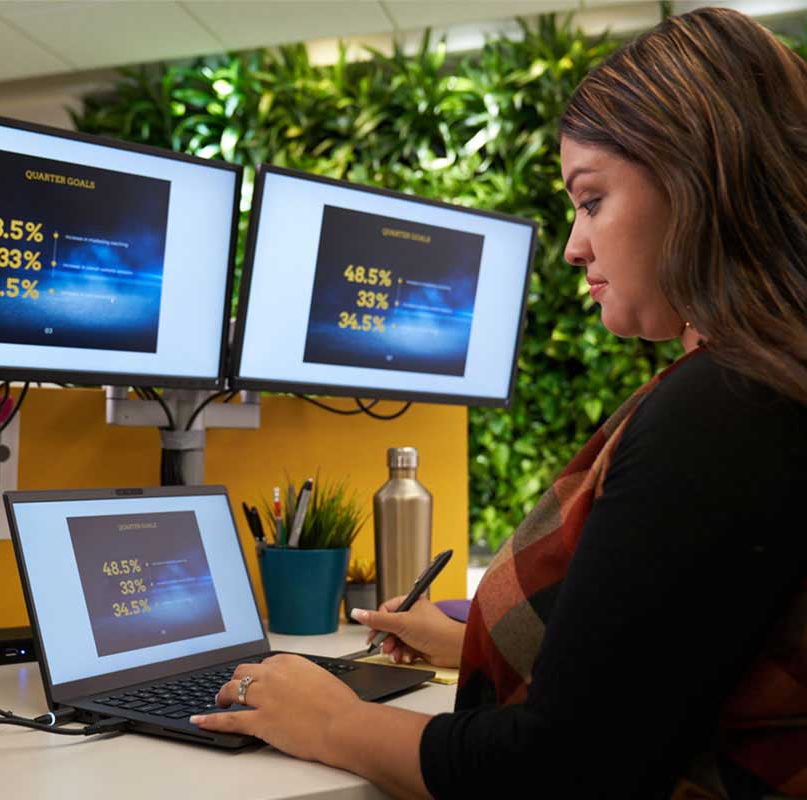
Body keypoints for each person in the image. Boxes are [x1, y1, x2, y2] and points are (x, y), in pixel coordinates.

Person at [192, 8, 807, 798]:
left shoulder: (728, 406)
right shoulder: (765, 384)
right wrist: (474, 642)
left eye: (590, 201)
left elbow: (560, 768)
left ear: (698, 181)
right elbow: (690, 660)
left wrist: (329, 719)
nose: (573, 246)